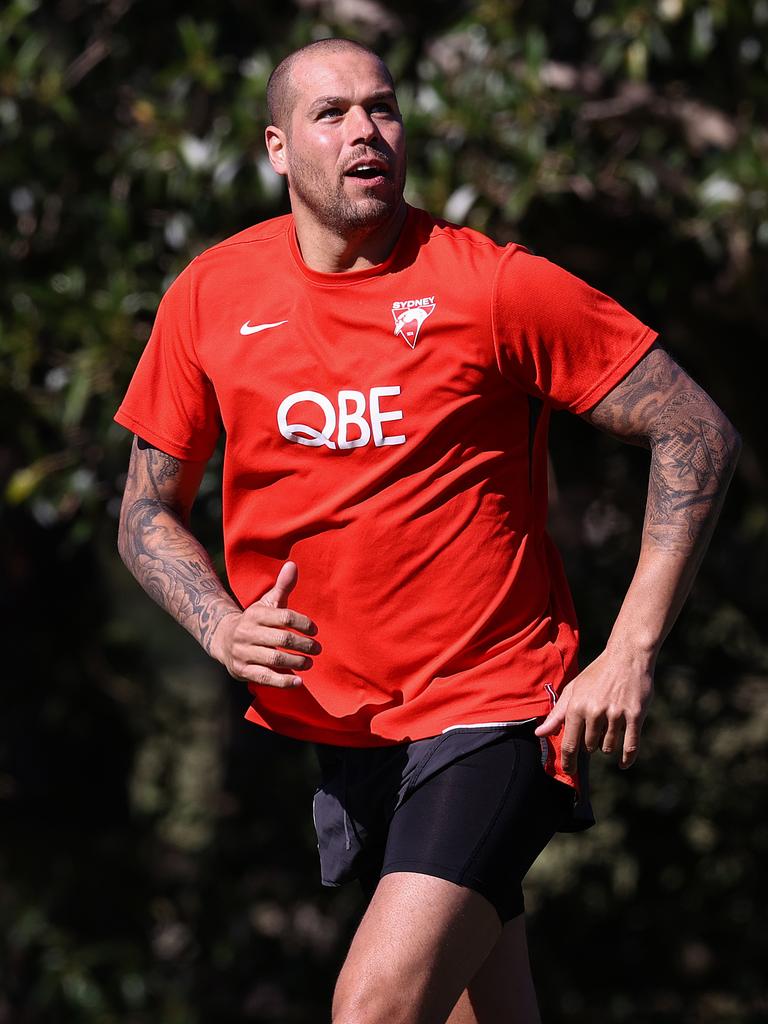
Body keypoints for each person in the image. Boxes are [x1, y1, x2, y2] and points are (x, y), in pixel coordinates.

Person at [115, 37, 740, 1024]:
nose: (366, 129)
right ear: (279, 148)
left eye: (384, 107)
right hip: (352, 730)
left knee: (370, 1008)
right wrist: (220, 628)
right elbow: (146, 512)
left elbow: (691, 423)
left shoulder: (488, 284)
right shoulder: (210, 295)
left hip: (498, 709)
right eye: (333, 113)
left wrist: (632, 647)